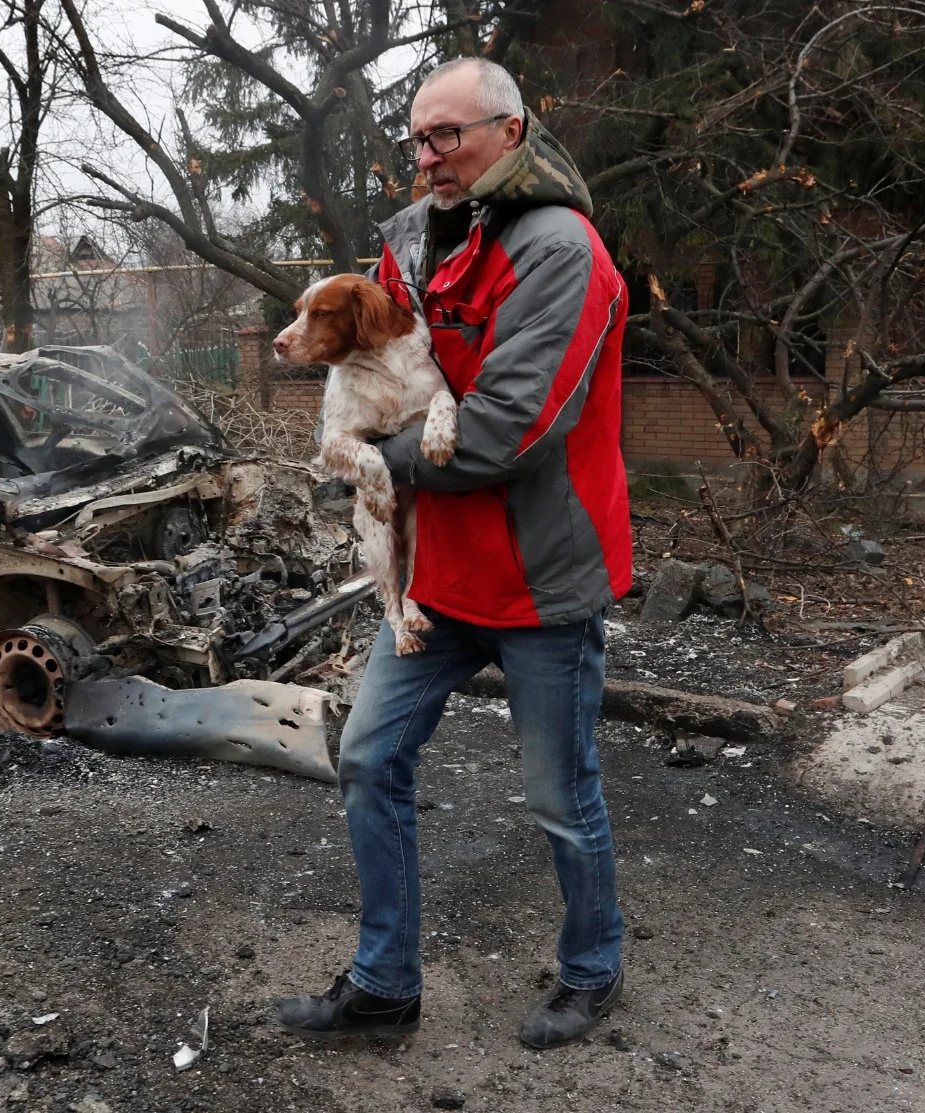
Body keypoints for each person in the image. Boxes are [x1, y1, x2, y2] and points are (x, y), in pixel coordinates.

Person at [274, 56, 632, 1050]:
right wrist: (343, 432)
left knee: (559, 797)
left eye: (448, 136)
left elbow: (509, 429)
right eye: (417, 139)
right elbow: (366, 365)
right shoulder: (406, 245)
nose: (426, 156)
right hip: (429, 578)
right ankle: (384, 983)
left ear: (510, 132)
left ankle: (594, 971)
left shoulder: (563, 252)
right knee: (368, 756)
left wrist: (365, 462)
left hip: (538, 576)